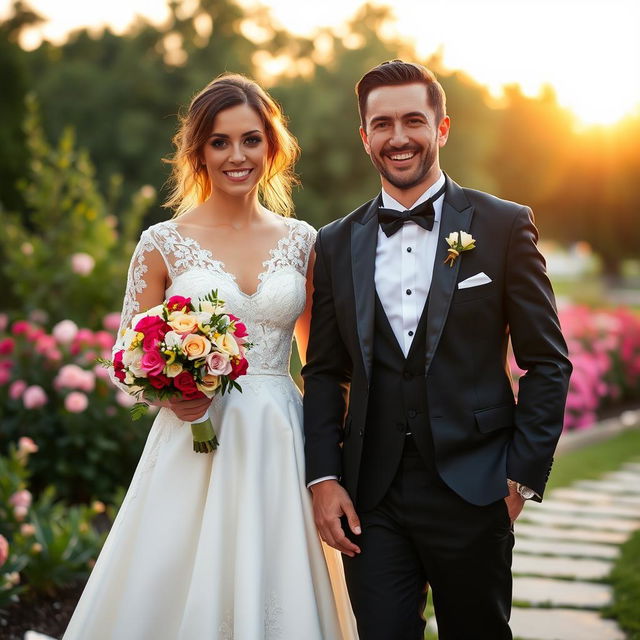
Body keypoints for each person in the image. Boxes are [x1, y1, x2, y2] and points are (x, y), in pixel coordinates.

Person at [64, 73, 356, 640]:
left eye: (250, 139)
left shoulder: (303, 241)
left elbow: (320, 360)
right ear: (198, 150)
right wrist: (173, 393)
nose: (236, 155)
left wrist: (335, 449)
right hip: (195, 439)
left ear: (271, 145)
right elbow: (127, 357)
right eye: (219, 142)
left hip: (279, 436)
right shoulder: (161, 242)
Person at [303, 60, 572, 640]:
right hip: (370, 500)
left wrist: (519, 478)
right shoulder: (334, 242)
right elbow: (325, 372)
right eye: (382, 124)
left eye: (412, 121)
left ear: (442, 127)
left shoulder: (503, 226)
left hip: (476, 488)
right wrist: (324, 478)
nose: (398, 138)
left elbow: (547, 361)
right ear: (365, 136)